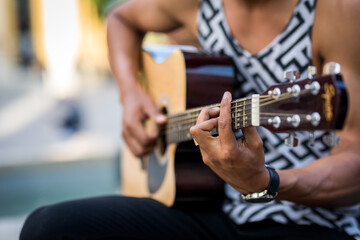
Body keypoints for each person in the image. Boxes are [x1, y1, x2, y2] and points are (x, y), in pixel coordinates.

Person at [20, 0, 360, 239]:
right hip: (213, 212)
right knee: (49, 227)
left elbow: (356, 159)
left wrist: (266, 182)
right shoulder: (199, 3)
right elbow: (121, 19)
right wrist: (131, 95)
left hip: (311, 223)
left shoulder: (334, 10)